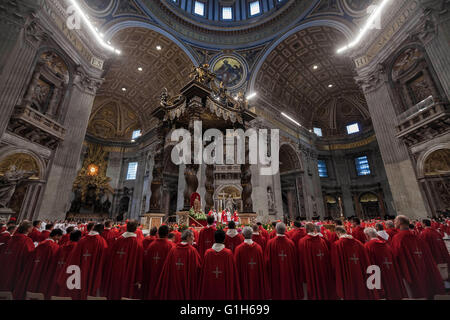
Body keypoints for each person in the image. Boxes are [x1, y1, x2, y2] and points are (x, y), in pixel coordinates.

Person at [391, 215, 445, 299]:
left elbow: (395, 255)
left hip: (408, 270)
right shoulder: (418, 237)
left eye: (395, 221)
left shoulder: (398, 238)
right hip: (422, 267)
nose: (394, 222)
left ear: (400, 223)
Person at [13, 229, 63, 299]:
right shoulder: (54, 246)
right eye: (60, 237)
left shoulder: (41, 243)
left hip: (35, 269)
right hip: (45, 273)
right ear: (56, 236)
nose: (60, 239)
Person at [63, 224, 108, 299]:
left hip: (79, 272)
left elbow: (74, 258)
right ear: (101, 230)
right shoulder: (102, 242)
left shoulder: (82, 240)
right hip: (94, 273)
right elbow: (104, 261)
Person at [103, 220, 143, 300]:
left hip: (115, 270)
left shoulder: (119, 239)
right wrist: (138, 278)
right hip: (128, 273)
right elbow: (139, 262)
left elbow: (111, 255)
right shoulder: (137, 243)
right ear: (136, 229)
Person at [156, 229, 201, 300]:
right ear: (188, 237)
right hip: (186, 283)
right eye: (193, 236)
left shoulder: (173, 250)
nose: (194, 238)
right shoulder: (192, 251)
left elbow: (167, 268)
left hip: (173, 282)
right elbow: (198, 268)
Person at [332, 226, 374, 300]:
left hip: (347, 275)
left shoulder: (337, 244)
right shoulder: (359, 243)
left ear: (338, 233)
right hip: (360, 273)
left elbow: (335, 264)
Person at [364, 227, 405, 300]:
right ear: (376, 235)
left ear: (367, 236)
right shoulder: (386, 245)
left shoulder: (367, 246)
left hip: (376, 274)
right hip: (391, 272)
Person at [198, 230, 241, 300]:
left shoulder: (208, 253)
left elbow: (204, 275)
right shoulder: (228, 253)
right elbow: (232, 274)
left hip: (210, 286)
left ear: (214, 239)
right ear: (224, 239)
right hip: (224, 287)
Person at [298, 223, 335, 300]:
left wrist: (303, 274)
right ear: (314, 229)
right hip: (323, 269)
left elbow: (301, 259)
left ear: (306, 230)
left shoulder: (303, 242)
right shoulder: (322, 241)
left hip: (311, 271)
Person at [265, 222, 302, 300]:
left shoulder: (270, 243)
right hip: (288, 272)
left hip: (275, 273)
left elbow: (267, 261)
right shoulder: (291, 243)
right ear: (285, 230)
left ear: (276, 230)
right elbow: (295, 261)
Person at [234, 227, 269, 300]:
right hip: (256, 278)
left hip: (243, 281)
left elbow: (236, 268)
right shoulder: (258, 248)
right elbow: (261, 267)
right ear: (252, 235)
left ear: (242, 235)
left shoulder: (238, 249)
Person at [0, 221, 35, 292]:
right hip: (18, 266)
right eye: (31, 228)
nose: (32, 229)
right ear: (28, 229)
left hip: (6, 264)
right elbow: (30, 255)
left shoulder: (10, 238)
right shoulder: (27, 240)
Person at [48, 230, 82, 298]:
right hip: (70, 274)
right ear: (79, 238)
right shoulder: (77, 247)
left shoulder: (62, 246)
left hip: (58, 271)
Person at [144, 225, 174, 300]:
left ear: (158, 233)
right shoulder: (171, 246)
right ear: (167, 234)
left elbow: (146, 263)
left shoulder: (151, 245)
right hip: (165, 278)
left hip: (152, 275)